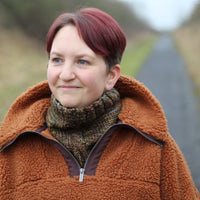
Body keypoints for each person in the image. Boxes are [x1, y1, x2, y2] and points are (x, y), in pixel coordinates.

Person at [0, 7, 199, 199]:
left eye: (82, 61)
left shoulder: (154, 143)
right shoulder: (13, 146)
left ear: (111, 76)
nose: (66, 74)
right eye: (57, 60)